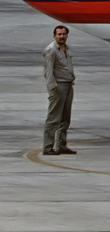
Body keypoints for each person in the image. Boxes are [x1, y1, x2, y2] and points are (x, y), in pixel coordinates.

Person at [43, 24, 76, 154]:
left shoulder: (66, 49)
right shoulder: (51, 50)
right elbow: (48, 71)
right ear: (54, 36)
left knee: (65, 118)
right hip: (58, 86)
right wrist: (53, 88)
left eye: (64, 34)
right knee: (54, 118)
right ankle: (47, 147)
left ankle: (61, 145)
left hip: (68, 84)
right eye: (59, 34)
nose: (62, 36)